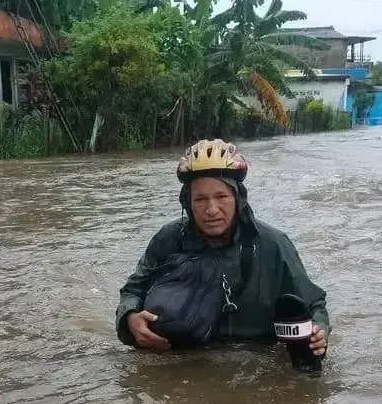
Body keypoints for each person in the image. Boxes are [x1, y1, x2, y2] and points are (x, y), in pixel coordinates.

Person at [114, 138, 330, 362]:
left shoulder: (273, 244)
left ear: (238, 198)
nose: (211, 209)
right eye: (200, 199)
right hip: (185, 356)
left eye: (221, 197)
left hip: (255, 358)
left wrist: (319, 332)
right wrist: (130, 318)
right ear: (188, 203)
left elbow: (314, 304)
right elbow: (133, 291)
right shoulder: (168, 239)